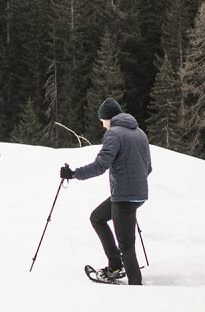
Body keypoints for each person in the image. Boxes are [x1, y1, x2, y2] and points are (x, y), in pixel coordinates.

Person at [60, 97, 152, 285]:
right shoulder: (139, 132)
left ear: (108, 118)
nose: (102, 125)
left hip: (124, 197)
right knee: (97, 217)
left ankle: (136, 286)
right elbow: (148, 167)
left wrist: (74, 174)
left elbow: (100, 165)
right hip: (136, 194)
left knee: (126, 245)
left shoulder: (114, 134)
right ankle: (115, 265)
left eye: (102, 121)